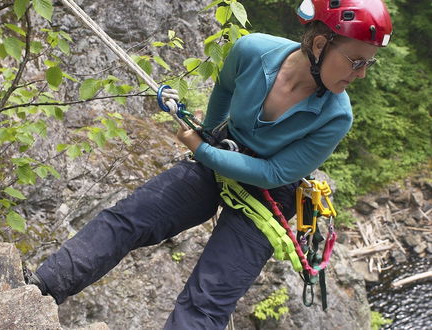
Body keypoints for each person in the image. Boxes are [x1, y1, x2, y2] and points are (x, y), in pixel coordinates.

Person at [25, 0, 392, 328]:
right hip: (220, 153)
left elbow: (276, 173)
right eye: (356, 61)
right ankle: (40, 288)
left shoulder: (336, 115)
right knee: (127, 220)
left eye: (369, 63)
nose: (361, 74)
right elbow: (225, 88)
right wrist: (209, 134)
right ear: (319, 44)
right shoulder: (252, 50)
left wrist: (204, 150)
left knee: (207, 302)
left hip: (268, 195)